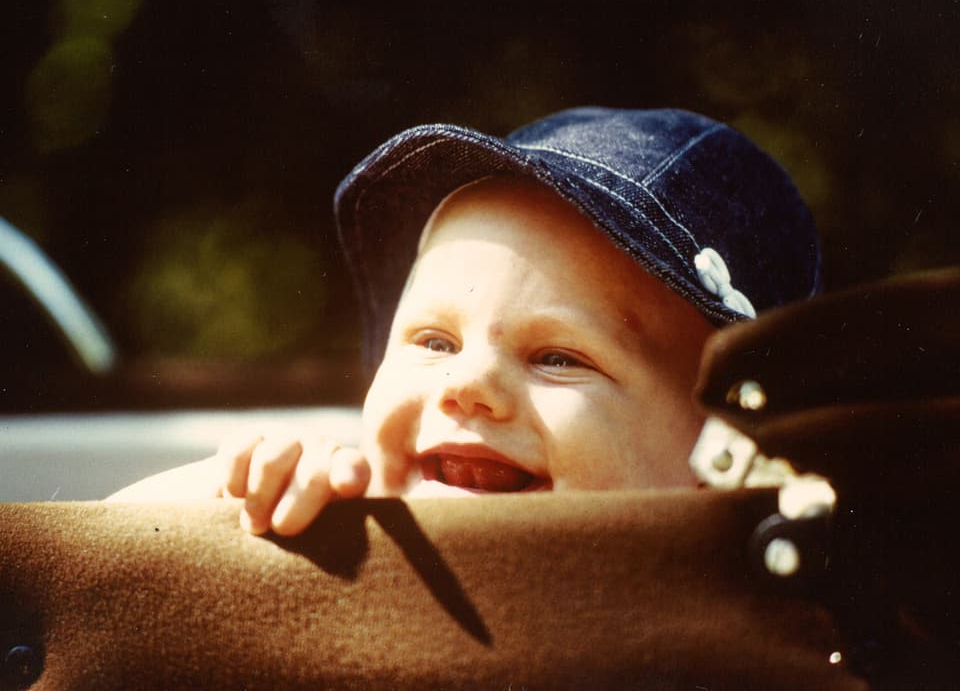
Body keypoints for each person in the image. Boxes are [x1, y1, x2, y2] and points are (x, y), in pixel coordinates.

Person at [109, 107, 820, 537]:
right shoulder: (321, 559)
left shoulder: (754, 644)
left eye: (560, 357)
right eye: (433, 341)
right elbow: (55, 610)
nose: (467, 383)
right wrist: (204, 522)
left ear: (727, 456)